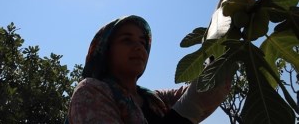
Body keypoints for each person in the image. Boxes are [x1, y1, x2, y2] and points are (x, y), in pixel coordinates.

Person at [66, 15, 232, 124]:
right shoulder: (90, 91)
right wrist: (189, 109)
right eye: (127, 40)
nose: (139, 47)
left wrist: (225, 25)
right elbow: (192, 102)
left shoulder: (156, 100)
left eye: (143, 43)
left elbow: (200, 90)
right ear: (105, 50)